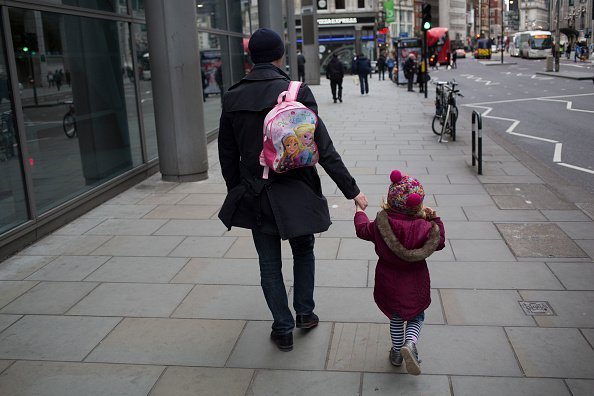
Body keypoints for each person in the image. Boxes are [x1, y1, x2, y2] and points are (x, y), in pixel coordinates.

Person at [218, 28, 368, 352]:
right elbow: (322, 147)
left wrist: (237, 190)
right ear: (280, 55)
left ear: (250, 58)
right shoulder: (294, 91)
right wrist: (351, 190)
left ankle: (282, 328)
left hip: (256, 193)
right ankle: (304, 312)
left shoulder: (232, 96)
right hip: (298, 189)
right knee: (303, 249)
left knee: (269, 263)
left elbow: (226, 154)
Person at [354, 170, 446, 375]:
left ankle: (397, 353)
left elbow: (362, 230)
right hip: (416, 281)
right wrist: (436, 219)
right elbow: (439, 243)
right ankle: (410, 343)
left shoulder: (381, 224)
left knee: (396, 317)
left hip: (389, 280)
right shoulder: (426, 227)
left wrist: (359, 211)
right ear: (418, 204)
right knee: (417, 315)